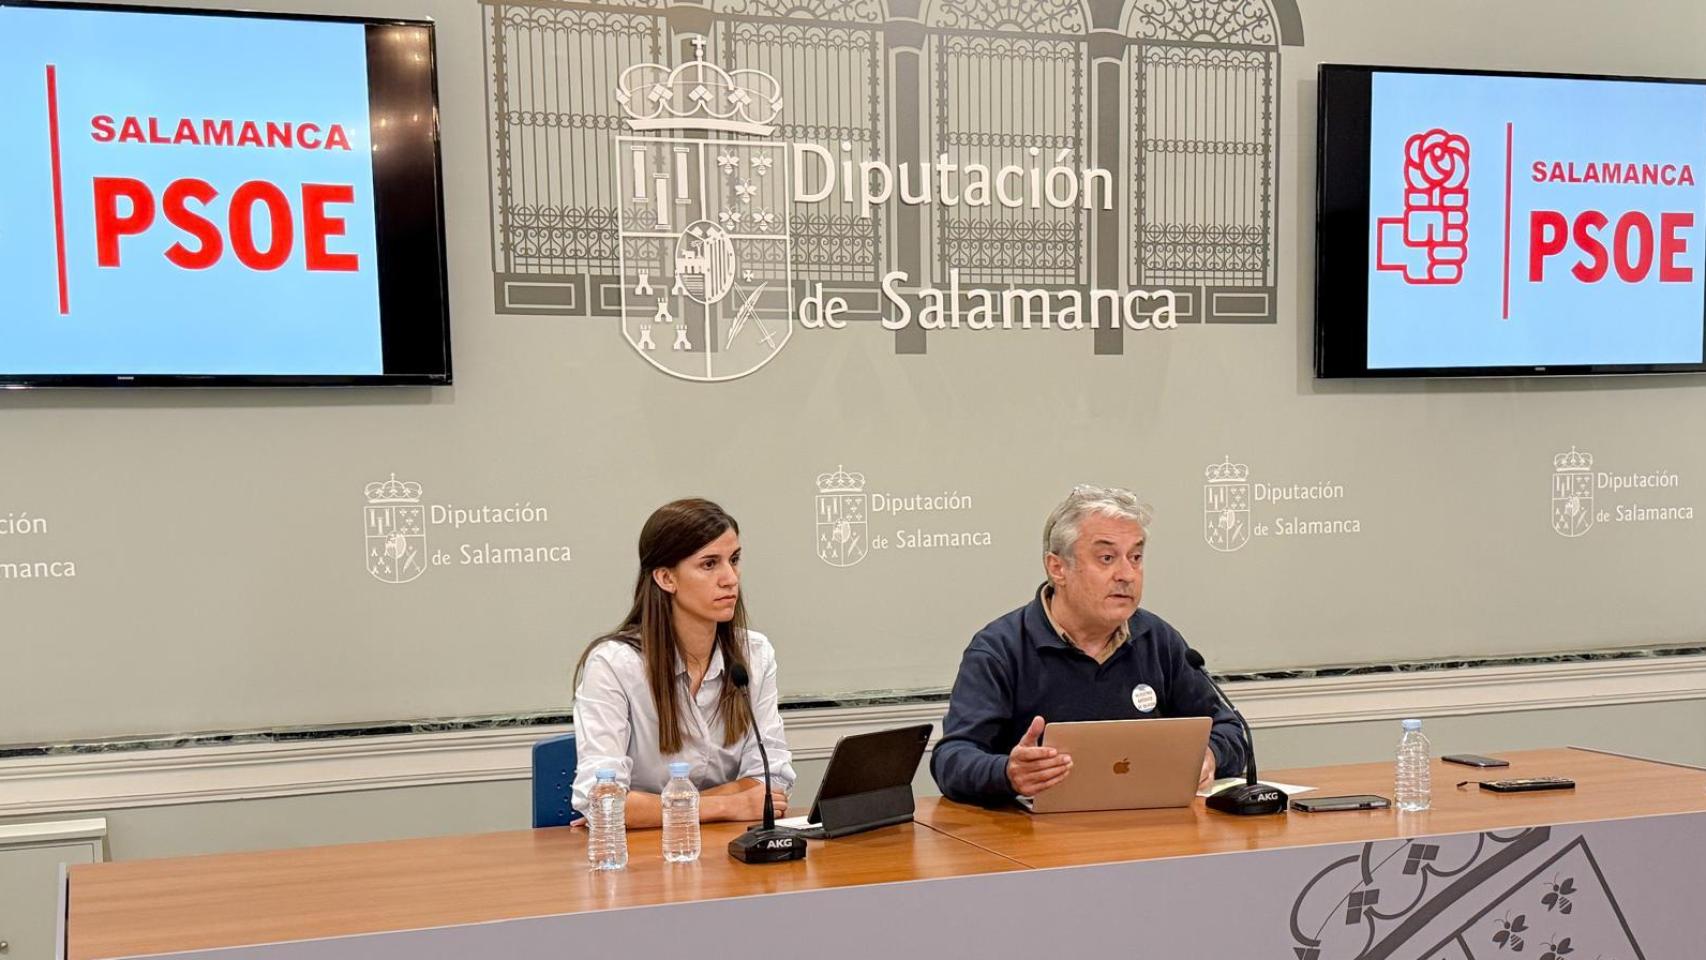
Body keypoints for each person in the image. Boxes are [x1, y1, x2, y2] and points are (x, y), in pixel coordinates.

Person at [930, 484, 1246, 805]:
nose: (1127, 574)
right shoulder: (1000, 648)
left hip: (1146, 830)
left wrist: (1208, 757)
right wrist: (1006, 772)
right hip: (1035, 843)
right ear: (1058, 568)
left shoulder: (1157, 639)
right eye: (1107, 558)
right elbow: (952, 760)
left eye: (1135, 557)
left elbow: (1232, 731)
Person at [571, 498, 795, 827]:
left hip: (730, 855)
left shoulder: (754, 654)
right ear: (666, 578)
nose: (730, 578)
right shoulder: (614, 664)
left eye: (734, 560)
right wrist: (729, 805)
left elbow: (771, 782)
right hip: (644, 860)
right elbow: (602, 800)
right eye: (709, 564)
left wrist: (652, 808)